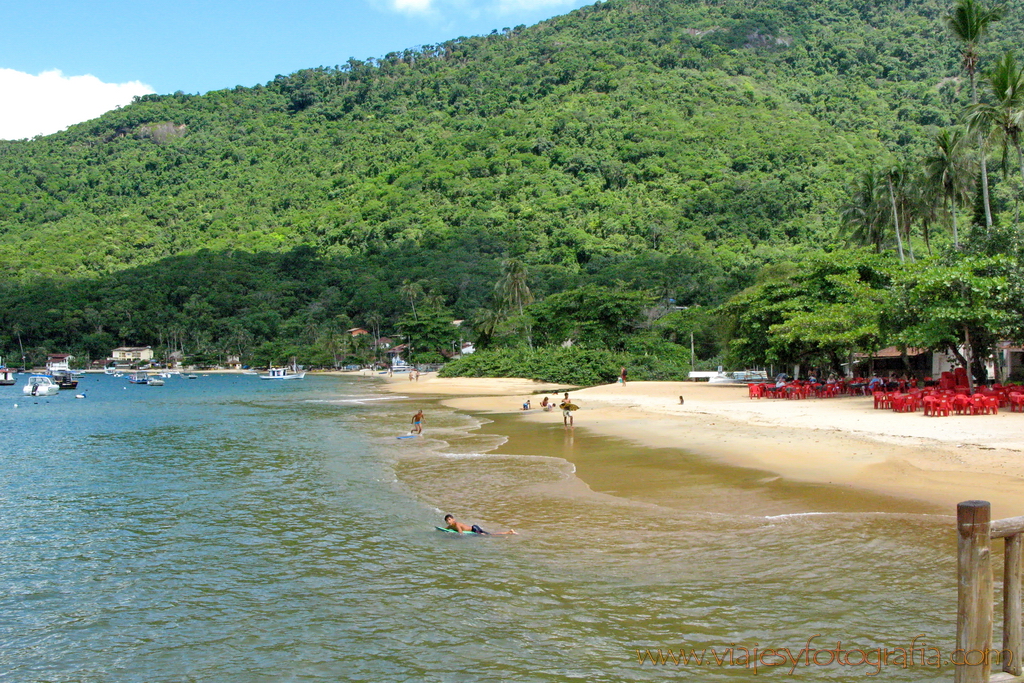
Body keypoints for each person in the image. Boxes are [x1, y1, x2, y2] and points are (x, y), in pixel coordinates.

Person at [443, 514, 517, 535]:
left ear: (453, 519)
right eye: (447, 520)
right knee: (489, 534)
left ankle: (508, 532)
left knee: (490, 535)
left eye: (449, 519)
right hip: (474, 527)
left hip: (474, 529)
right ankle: (509, 532)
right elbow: (445, 528)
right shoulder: (450, 526)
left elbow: (461, 533)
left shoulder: (456, 524)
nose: (448, 521)